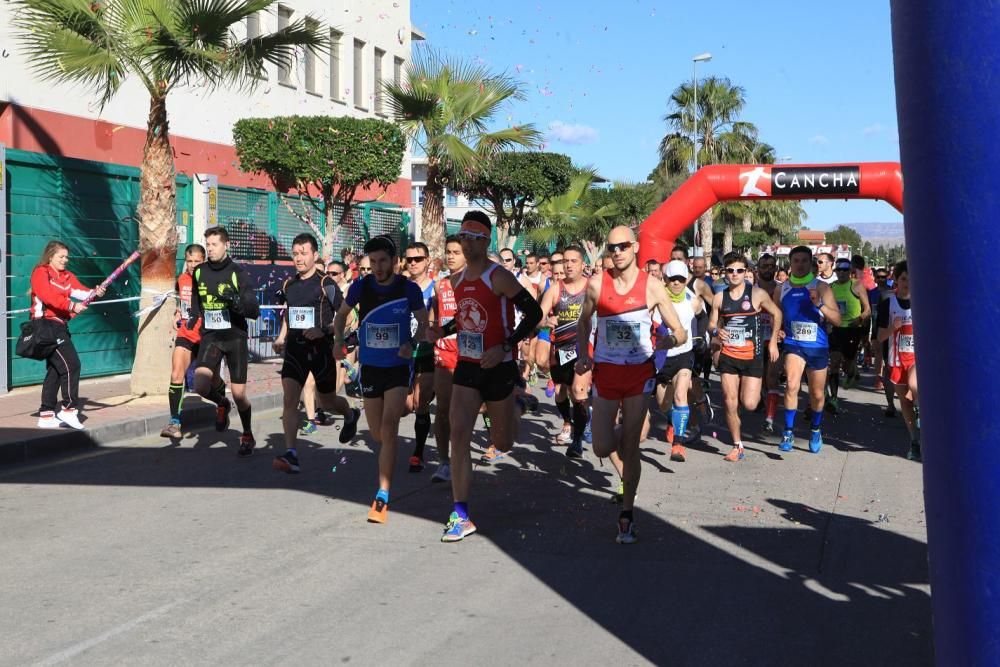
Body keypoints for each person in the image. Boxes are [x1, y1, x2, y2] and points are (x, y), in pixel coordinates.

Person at [428, 211, 543, 542]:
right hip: (467, 364)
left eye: (472, 237)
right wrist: (442, 331)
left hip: (499, 365)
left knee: (503, 442)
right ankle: (461, 513)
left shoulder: (499, 277)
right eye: (462, 236)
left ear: (485, 241)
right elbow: (463, 320)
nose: (465, 242)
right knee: (459, 433)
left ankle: (517, 406)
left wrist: (506, 345)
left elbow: (533, 312)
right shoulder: (455, 280)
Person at [576, 226, 686, 544]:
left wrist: (668, 338)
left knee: (631, 446)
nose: (617, 252)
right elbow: (584, 321)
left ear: (635, 247)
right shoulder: (597, 284)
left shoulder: (652, 287)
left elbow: (679, 331)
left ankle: (626, 516)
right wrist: (584, 354)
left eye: (623, 246)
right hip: (607, 373)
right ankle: (627, 442)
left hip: (640, 373)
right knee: (600, 446)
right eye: (612, 248)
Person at [334, 235, 427, 524]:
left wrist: (411, 343)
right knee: (378, 434)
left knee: (389, 425)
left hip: (399, 367)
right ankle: (387, 446)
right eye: (372, 262)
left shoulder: (408, 289)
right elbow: (341, 316)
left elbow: (424, 323)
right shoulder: (361, 287)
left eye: (383, 261)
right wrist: (338, 340)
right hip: (371, 367)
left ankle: (382, 493)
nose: (378, 267)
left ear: (395, 261)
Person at [271, 234, 360, 473]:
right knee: (290, 400)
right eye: (295, 253)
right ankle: (291, 453)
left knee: (328, 401)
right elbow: (290, 315)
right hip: (295, 351)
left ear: (314, 255)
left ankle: (350, 413)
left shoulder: (326, 284)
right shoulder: (288, 285)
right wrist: (281, 337)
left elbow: (347, 316)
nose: (299, 258)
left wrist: (323, 331)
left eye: (303, 253)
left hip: (321, 352)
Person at [188, 226, 260, 456]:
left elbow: (254, 310)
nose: (210, 249)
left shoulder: (238, 273)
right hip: (211, 336)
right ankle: (221, 402)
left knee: (239, 394)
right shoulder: (199, 272)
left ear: (226, 245)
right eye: (207, 245)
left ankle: (247, 433)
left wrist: (238, 303)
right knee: (200, 384)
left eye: (214, 244)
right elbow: (196, 297)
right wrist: (193, 315)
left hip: (234, 337)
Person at [708, 253, 782, 462]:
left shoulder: (757, 294)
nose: (735, 274)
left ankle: (750, 402)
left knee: (749, 403)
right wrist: (716, 333)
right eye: (730, 271)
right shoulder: (720, 297)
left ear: (746, 272)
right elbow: (712, 324)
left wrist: (774, 341)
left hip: (752, 356)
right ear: (725, 273)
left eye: (739, 270)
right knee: (730, 402)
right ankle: (737, 445)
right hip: (729, 355)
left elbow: (777, 314)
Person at [30, 241, 107, 429]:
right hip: (44, 325)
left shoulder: (67, 276)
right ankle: (69, 410)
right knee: (72, 365)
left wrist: (96, 293)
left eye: (66, 257)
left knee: (56, 370)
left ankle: (46, 415)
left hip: (60, 326)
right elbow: (47, 296)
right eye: (61, 257)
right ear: (50, 256)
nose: (65, 260)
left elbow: (82, 293)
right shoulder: (41, 272)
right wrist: (71, 306)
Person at [776, 246, 841, 454]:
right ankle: (788, 432)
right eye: (796, 261)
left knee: (817, 394)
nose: (800, 264)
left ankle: (815, 429)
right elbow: (776, 314)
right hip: (794, 345)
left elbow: (838, 320)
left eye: (804, 260)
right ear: (790, 263)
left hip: (817, 346)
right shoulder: (782, 288)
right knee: (792, 386)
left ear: (810, 263)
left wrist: (819, 304)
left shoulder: (821, 287)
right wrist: (778, 331)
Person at [539, 245, 591, 457]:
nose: (569, 265)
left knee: (579, 391)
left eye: (574, 261)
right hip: (561, 348)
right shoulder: (555, 289)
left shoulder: (592, 287)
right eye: (566, 261)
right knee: (562, 392)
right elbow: (538, 317)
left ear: (582, 264)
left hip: (585, 348)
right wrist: (545, 321)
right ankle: (568, 421)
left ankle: (577, 439)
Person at [652, 259, 704, 462]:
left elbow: (702, 318)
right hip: (662, 359)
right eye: (671, 279)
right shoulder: (657, 300)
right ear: (665, 279)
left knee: (681, 395)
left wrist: (700, 339)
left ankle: (678, 445)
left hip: (684, 354)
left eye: (680, 279)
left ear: (686, 279)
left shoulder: (692, 300)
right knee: (664, 404)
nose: (676, 283)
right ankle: (673, 418)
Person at [431, 235, 467, 483]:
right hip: (444, 350)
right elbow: (436, 313)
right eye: (449, 251)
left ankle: (462, 456)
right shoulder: (440, 284)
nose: (451, 256)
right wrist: (430, 330)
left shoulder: (475, 282)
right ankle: (444, 462)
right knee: (443, 409)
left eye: (456, 252)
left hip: (469, 352)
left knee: (464, 412)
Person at [161, 244, 206, 439]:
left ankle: (222, 405)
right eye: (189, 261)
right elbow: (182, 301)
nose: (193, 265)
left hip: (207, 336)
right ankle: (174, 422)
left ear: (204, 261)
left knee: (206, 384)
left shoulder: (211, 279)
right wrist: (178, 312)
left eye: (197, 261)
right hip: (186, 333)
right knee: (176, 373)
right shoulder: (182, 279)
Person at [878, 261, 919, 460]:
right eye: (904, 278)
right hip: (896, 359)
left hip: (918, 358)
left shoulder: (923, 302)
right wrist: (892, 329)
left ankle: (922, 416)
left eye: (911, 279)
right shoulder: (888, 303)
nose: (908, 282)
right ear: (896, 279)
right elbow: (879, 337)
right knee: (905, 401)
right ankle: (914, 440)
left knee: (914, 384)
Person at [404, 242, 436, 473]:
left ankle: (418, 452)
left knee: (420, 402)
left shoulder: (436, 289)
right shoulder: (401, 287)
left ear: (427, 261)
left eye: (418, 259)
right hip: (404, 353)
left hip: (427, 352)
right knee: (406, 406)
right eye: (409, 259)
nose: (413, 263)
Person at [827, 258, 871, 414]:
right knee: (834, 362)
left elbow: (867, 310)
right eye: (839, 270)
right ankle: (833, 398)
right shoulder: (830, 287)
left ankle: (852, 372)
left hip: (853, 330)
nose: (842, 273)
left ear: (850, 271)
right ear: (835, 271)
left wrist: (859, 319)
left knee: (846, 365)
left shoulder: (857, 286)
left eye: (845, 270)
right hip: (837, 329)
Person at [755, 254, 784, 433]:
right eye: (764, 266)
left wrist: (783, 328)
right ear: (758, 268)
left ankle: (770, 418)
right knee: (760, 379)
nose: (768, 269)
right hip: (755, 340)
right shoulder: (750, 290)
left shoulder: (782, 289)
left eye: (771, 266)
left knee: (772, 377)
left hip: (775, 340)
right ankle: (760, 398)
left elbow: (786, 312)